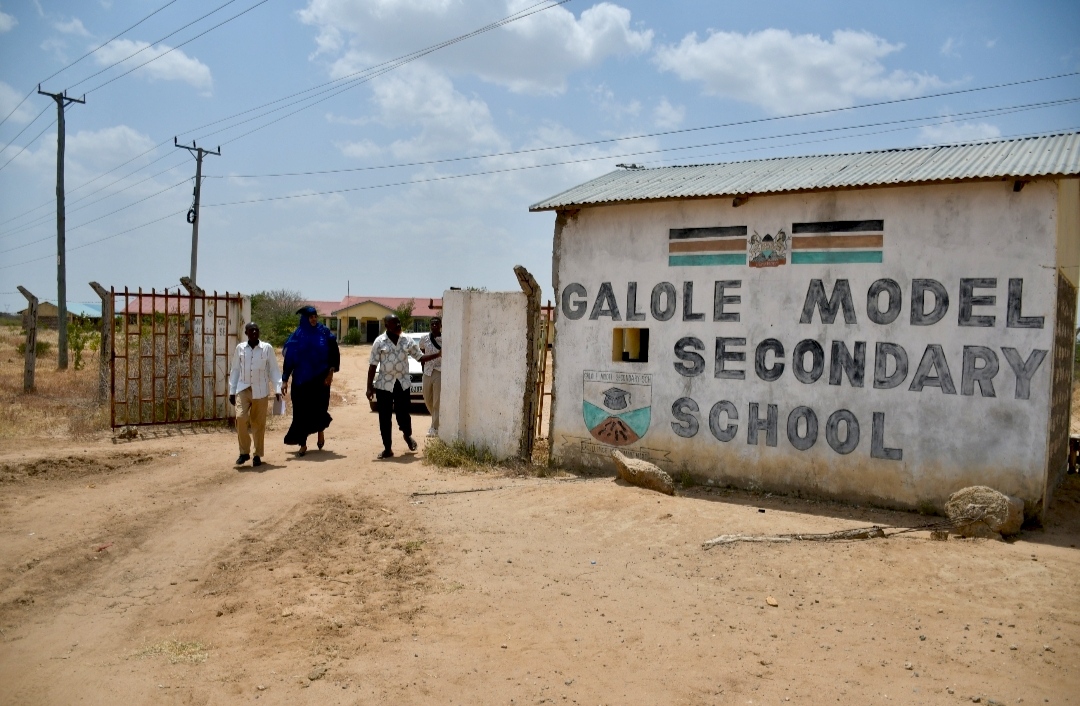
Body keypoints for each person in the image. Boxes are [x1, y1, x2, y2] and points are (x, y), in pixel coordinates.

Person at [366, 314, 440, 459]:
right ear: (387, 326)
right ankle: (387, 448)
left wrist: (437, 355)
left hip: (402, 384)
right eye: (395, 323)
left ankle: (407, 435)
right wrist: (369, 387)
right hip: (384, 384)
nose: (399, 325)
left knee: (403, 415)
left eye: (399, 323)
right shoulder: (379, 342)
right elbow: (373, 365)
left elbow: (420, 357)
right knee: (384, 417)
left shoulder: (407, 340)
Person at [282, 306, 340, 456]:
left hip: (320, 379)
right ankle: (303, 444)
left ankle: (320, 431)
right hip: (301, 380)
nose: (314, 319)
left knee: (319, 408)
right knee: (300, 412)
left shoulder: (324, 333)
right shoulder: (297, 335)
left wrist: (330, 373)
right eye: (311, 317)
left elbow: (334, 352)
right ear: (305, 319)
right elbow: (289, 360)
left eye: (315, 316)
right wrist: (284, 379)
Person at [228, 322, 282, 467]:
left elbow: (273, 370)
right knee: (240, 418)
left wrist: (277, 388)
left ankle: (257, 455)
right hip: (243, 388)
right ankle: (244, 452)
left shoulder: (266, 348)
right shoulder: (240, 348)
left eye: (256, 330)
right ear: (246, 333)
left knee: (258, 424)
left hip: (261, 390)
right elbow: (235, 370)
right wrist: (232, 391)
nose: (254, 332)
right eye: (251, 330)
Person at [419, 316, 443, 437]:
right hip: (427, 371)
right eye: (432, 324)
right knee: (427, 398)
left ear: (440, 325)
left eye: (436, 324)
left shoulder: (444, 339)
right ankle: (436, 419)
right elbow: (422, 351)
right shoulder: (424, 339)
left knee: (437, 400)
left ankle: (434, 427)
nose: (434, 326)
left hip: (439, 371)